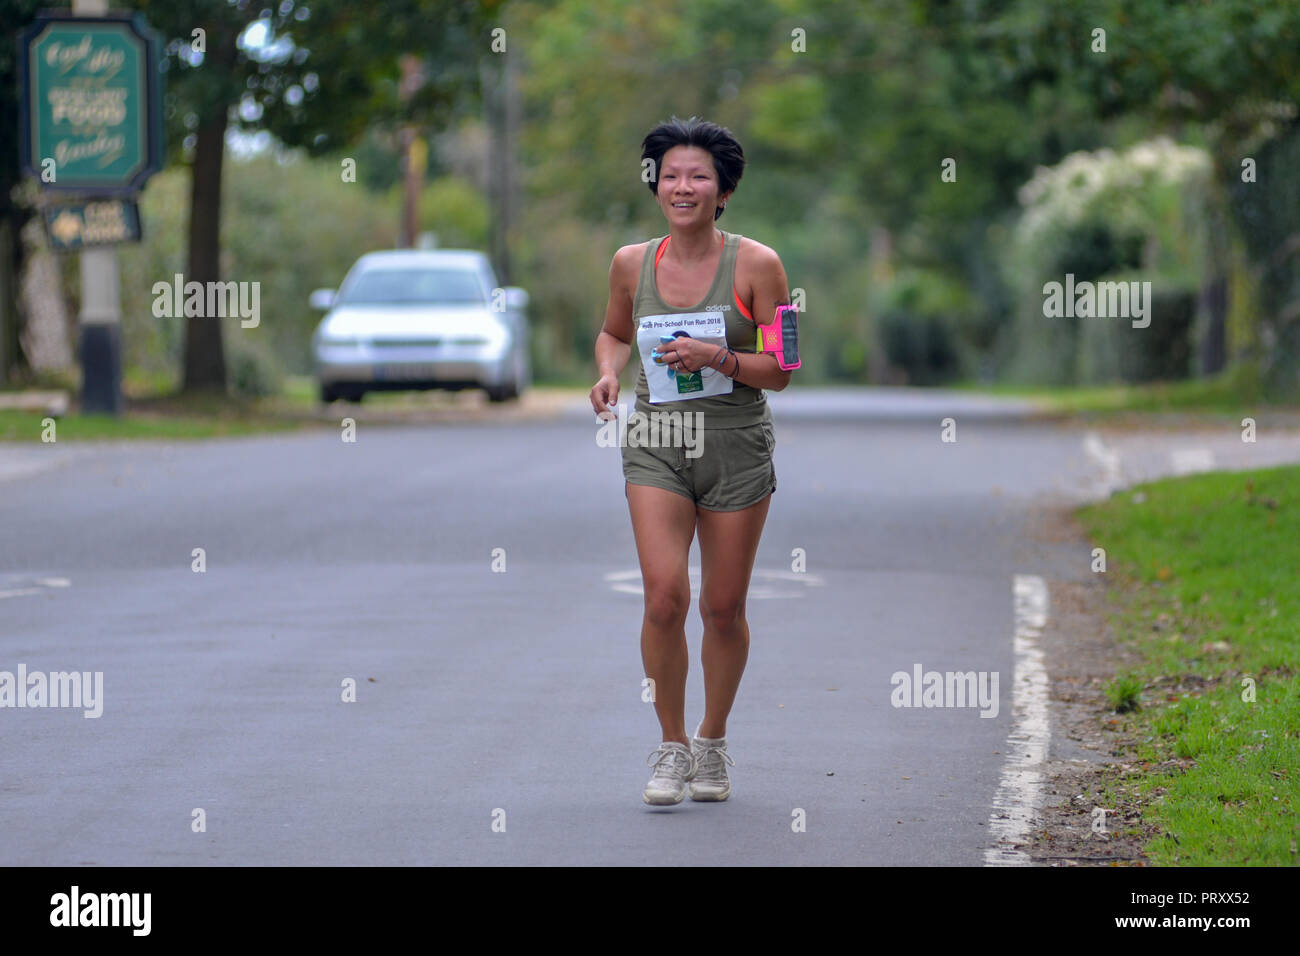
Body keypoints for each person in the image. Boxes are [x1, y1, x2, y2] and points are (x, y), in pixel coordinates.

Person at [589, 116, 795, 806]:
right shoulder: (630, 263)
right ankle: (671, 747)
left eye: (697, 176)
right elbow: (613, 332)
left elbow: (784, 368)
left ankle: (712, 741)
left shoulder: (760, 265)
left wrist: (719, 358)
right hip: (657, 444)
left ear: (723, 190)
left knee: (724, 607)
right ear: (656, 186)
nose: (683, 187)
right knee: (662, 598)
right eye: (670, 175)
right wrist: (608, 373)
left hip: (736, 446)